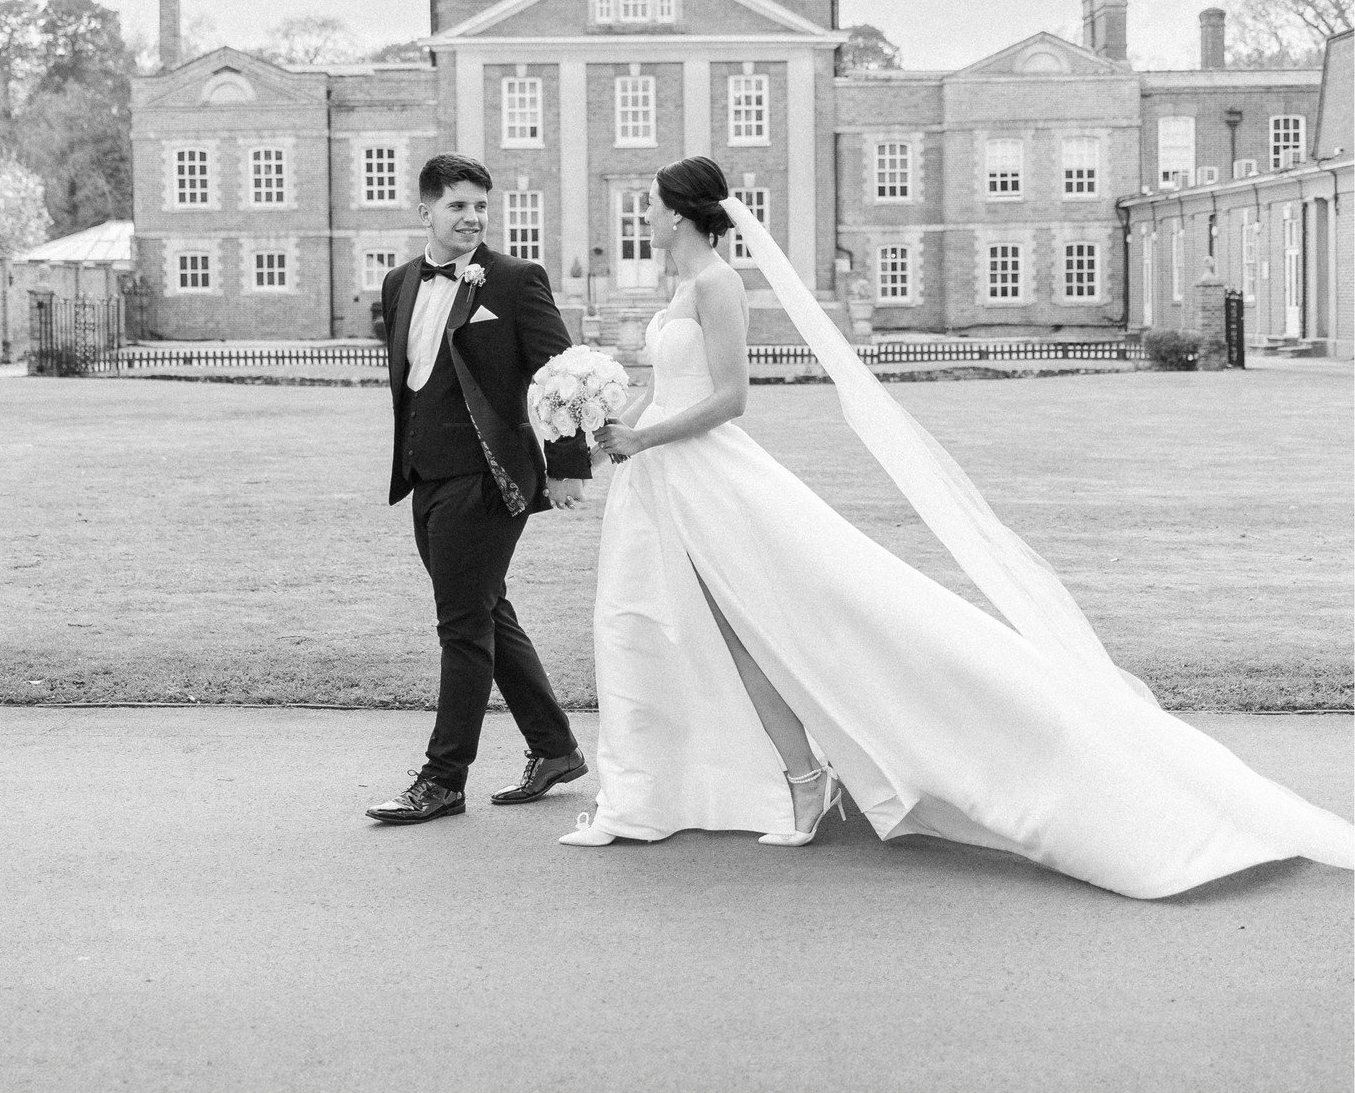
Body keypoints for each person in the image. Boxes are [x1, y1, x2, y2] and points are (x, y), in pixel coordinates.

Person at [566, 155, 1355, 899]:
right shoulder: (679, 289)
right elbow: (667, 388)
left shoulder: (718, 286)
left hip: (713, 480)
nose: (649, 213)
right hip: (665, 484)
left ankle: (812, 780)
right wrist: (613, 423)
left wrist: (644, 436)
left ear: (678, 212)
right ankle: (717, 783)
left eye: (656, 203)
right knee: (699, 632)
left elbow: (732, 398)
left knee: (778, 625)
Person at [366, 153, 591, 826]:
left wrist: (568, 465)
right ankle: (554, 748)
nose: (472, 218)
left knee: (461, 624)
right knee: (486, 610)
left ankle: (443, 778)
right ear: (425, 210)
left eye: (480, 207)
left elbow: (565, 373)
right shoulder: (399, 283)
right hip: (426, 474)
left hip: (491, 475)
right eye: (458, 206)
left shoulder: (516, 281)